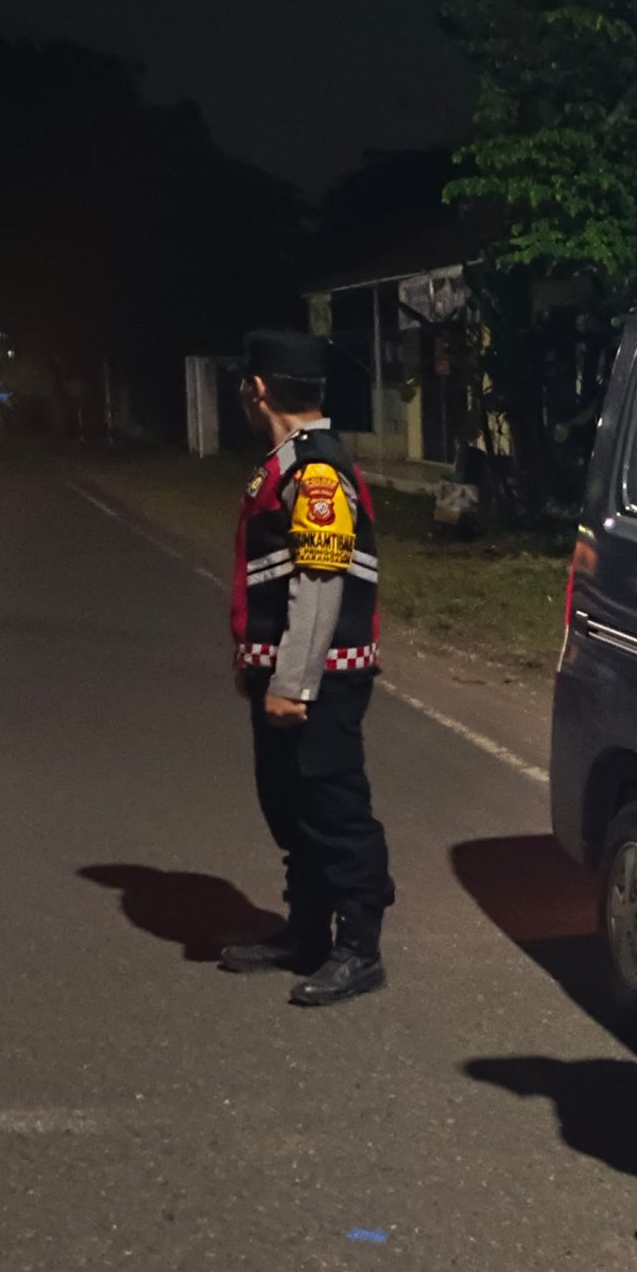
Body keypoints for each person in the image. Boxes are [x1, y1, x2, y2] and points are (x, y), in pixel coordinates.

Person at [215, 329, 395, 1006]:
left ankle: (359, 948)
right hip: (286, 676)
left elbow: (319, 585)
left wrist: (292, 683)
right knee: (291, 807)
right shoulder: (286, 463)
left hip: (319, 680)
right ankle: (308, 933)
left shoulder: (315, 471)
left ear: (259, 388)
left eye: (245, 384)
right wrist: (257, 666)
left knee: (334, 810)